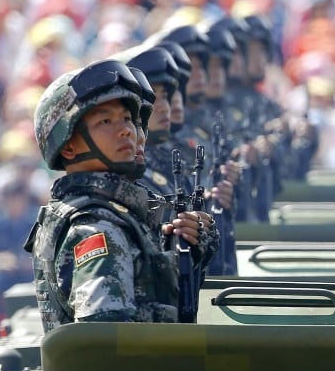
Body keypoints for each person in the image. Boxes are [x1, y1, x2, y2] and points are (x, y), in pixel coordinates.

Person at [24, 59, 206, 330]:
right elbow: (106, 340)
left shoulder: (114, 212)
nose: (126, 130)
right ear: (68, 146)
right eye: (105, 121)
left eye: (127, 118)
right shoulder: (95, 228)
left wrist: (187, 255)